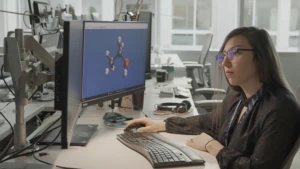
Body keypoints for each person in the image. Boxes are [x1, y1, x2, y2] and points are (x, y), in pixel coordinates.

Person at [126, 27, 300, 169]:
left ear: (261, 56)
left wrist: (212, 146)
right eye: (223, 55)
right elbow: (211, 122)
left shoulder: (280, 108)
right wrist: (162, 125)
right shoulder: (238, 96)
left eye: (235, 53)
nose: (224, 63)